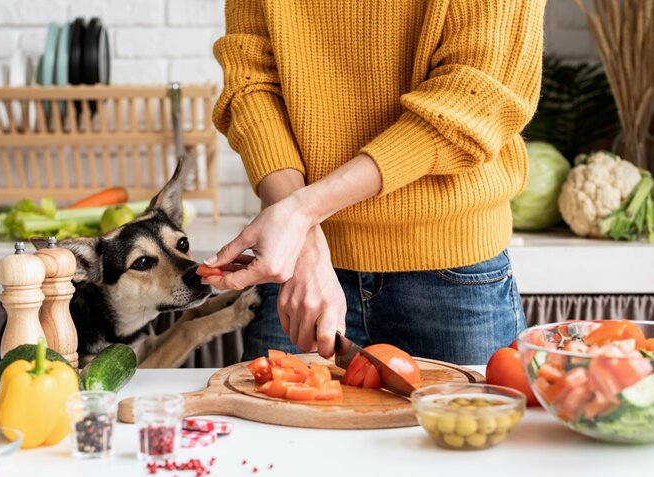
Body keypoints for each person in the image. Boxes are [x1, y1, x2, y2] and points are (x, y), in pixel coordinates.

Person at [206, 0, 545, 365]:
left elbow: (474, 98)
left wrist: (301, 214)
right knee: (271, 421)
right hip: (296, 265)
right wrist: (303, 240)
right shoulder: (299, 242)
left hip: (451, 272)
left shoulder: (299, 220)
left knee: (465, 423)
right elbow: (250, 82)